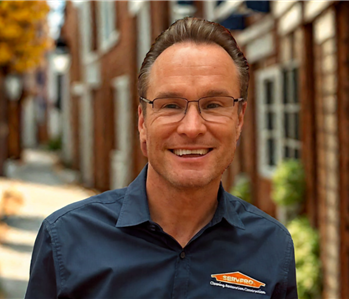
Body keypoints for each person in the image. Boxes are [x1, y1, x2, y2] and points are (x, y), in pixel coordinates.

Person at [25, 17, 298, 298]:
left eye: (214, 105)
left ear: (239, 119)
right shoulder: (66, 240)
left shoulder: (272, 248)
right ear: (143, 122)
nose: (192, 128)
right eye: (170, 105)